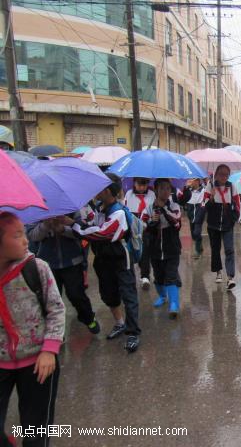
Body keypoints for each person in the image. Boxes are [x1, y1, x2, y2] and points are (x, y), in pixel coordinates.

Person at [0, 212, 65, 447]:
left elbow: (56, 309)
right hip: (2, 361)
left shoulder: (36, 268)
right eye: (17, 235)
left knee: (35, 431)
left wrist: (49, 350)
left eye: (23, 232)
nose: (26, 240)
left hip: (39, 362)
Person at [72, 173, 141, 353]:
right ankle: (120, 323)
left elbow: (102, 233)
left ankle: (133, 332)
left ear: (109, 191)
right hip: (103, 259)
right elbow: (88, 227)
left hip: (120, 258)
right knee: (108, 294)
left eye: (100, 187)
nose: (96, 190)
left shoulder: (118, 212)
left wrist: (73, 225)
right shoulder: (99, 209)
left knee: (128, 294)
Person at [27, 214, 100, 334]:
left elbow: (81, 232)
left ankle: (88, 318)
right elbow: (32, 236)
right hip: (47, 265)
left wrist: (63, 229)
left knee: (76, 295)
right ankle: (55, 331)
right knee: (51, 300)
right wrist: (46, 225)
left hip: (72, 261)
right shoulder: (37, 211)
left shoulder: (70, 208)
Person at [146, 179, 183, 318]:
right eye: (162, 188)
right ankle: (162, 296)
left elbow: (177, 224)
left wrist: (164, 211)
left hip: (172, 248)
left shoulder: (174, 206)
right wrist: (152, 222)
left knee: (171, 276)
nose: (166, 191)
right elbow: (144, 228)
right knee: (158, 276)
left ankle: (174, 304)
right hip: (155, 249)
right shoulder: (149, 208)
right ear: (156, 190)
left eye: (168, 188)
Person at [204, 164, 240, 290]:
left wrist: (234, 219)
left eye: (226, 174)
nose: (223, 177)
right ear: (216, 174)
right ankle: (218, 272)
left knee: (229, 250)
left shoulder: (231, 186)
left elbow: (237, 204)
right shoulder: (210, 186)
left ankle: (230, 277)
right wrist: (212, 197)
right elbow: (204, 206)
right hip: (213, 224)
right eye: (221, 174)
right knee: (215, 249)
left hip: (227, 223)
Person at [124, 177, 155, 290]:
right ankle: (130, 277)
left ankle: (145, 276)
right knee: (131, 251)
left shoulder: (152, 194)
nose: (142, 187)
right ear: (134, 183)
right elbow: (125, 209)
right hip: (132, 226)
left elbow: (154, 209)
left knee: (145, 251)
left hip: (146, 226)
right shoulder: (129, 194)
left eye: (145, 184)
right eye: (139, 184)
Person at [182, 178, 206, 259]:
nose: (191, 181)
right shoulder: (188, 191)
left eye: (193, 179)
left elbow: (206, 200)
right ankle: (200, 247)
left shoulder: (203, 190)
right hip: (191, 215)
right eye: (190, 179)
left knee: (197, 232)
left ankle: (198, 251)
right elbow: (183, 199)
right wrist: (186, 187)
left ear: (198, 181)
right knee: (193, 235)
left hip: (199, 214)